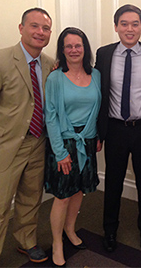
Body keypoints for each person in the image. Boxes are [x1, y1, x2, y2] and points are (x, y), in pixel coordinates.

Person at [0, 7, 54, 266]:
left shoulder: (50, 64)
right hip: (7, 146)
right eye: (34, 26)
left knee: (31, 199)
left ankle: (26, 241)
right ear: (21, 28)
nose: (40, 32)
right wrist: (2, 129)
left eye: (46, 28)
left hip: (38, 143)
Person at [95, 4, 141, 253]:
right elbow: (93, 86)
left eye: (135, 24)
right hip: (115, 128)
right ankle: (109, 230)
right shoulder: (104, 54)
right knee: (113, 182)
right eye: (124, 23)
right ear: (116, 27)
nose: (129, 29)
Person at [43, 27, 100, 267]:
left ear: (85, 48)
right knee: (63, 196)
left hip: (87, 141)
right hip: (64, 143)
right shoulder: (55, 77)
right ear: (62, 50)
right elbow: (51, 116)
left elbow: (97, 108)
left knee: (79, 191)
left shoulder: (95, 74)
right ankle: (57, 242)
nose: (74, 50)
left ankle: (70, 229)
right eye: (69, 46)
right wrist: (60, 152)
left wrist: (95, 135)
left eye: (78, 45)